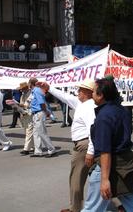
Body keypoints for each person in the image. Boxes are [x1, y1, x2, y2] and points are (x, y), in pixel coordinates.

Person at [82, 78, 133, 212]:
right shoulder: (122, 110)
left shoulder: (104, 116)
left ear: (101, 95)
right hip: (127, 164)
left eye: (94, 91)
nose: (91, 94)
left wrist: (104, 180)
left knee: (92, 209)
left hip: (110, 166)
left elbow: (105, 151)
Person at [41, 79, 96, 212]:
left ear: (88, 92)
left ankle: (75, 209)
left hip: (84, 145)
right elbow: (65, 97)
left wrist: (90, 151)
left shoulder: (89, 106)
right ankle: (119, 203)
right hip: (86, 145)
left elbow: (93, 130)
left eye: (80, 90)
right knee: (98, 176)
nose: (78, 92)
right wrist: (49, 88)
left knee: (76, 178)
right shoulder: (82, 103)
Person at [29, 78, 56, 157]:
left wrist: (46, 112)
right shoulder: (34, 91)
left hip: (39, 112)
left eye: (29, 82)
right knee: (36, 133)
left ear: (31, 83)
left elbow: (41, 103)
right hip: (35, 113)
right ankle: (38, 151)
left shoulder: (37, 91)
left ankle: (51, 149)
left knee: (41, 132)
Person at [8, 82, 34, 155]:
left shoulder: (31, 94)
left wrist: (18, 104)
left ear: (26, 88)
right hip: (24, 114)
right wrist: (16, 106)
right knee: (27, 132)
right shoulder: (23, 95)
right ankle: (32, 146)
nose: (21, 91)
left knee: (29, 131)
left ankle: (26, 149)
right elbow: (22, 105)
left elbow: (28, 105)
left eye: (22, 89)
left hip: (30, 114)